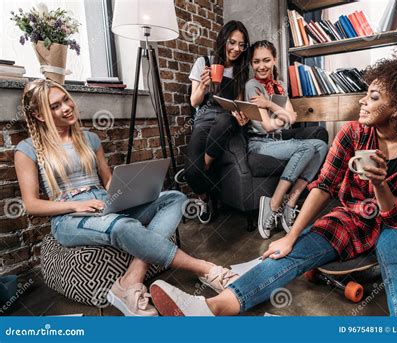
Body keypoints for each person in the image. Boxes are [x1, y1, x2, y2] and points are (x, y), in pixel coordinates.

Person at [149, 53, 397, 316]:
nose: (362, 100)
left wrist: (379, 183)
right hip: (349, 219)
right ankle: (209, 308)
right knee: (287, 254)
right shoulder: (353, 134)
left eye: (373, 97)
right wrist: (290, 237)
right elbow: (323, 187)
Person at [14, 79, 238, 317]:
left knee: (173, 197)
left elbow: (108, 181)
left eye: (66, 99)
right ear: (39, 115)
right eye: (55, 106)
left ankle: (131, 279)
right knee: (123, 226)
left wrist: (128, 193)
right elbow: (31, 205)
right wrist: (78, 204)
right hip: (67, 218)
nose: (67, 107)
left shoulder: (89, 138)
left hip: (104, 204)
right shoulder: (27, 149)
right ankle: (206, 269)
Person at [244, 40, 328, 238]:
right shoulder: (252, 86)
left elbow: (292, 118)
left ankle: (290, 203)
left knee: (321, 146)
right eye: (256, 62)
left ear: (274, 60)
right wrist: (283, 116)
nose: (261, 66)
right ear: (251, 64)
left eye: (266, 60)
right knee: (306, 148)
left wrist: (270, 105)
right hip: (259, 143)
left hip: (277, 140)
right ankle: (273, 204)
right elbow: (267, 125)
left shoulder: (279, 87)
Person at [181, 20, 250, 224]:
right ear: (223, 40)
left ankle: (204, 167)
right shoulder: (204, 62)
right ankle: (203, 198)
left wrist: (242, 114)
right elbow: (195, 102)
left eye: (241, 45)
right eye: (232, 42)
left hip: (227, 118)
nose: (237, 49)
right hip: (204, 116)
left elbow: (237, 103)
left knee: (226, 120)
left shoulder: (241, 70)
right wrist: (203, 86)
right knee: (191, 171)